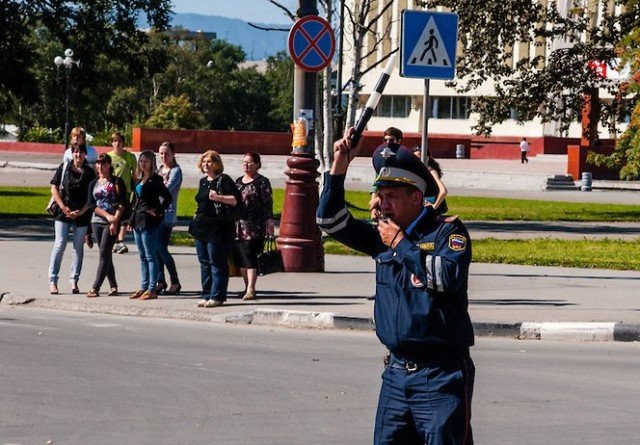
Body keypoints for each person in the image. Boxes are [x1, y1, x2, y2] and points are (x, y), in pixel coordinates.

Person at [317, 127, 475, 445]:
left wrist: (401, 244)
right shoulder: (382, 236)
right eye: (380, 196)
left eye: (391, 197)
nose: (382, 205)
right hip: (396, 373)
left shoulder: (447, 234)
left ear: (416, 197)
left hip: (439, 375)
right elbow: (329, 220)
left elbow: (447, 277)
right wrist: (340, 164)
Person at [189, 150, 240, 308]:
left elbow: (235, 200)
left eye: (210, 161)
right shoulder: (203, 181)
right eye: (204, 162)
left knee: (216, 262)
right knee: (204, 262)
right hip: (201, 226)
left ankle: (217, 295)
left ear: (217, 163)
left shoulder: (224, 180)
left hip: (218, 227)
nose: (206, 164)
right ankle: (206, 293)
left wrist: (218, 197)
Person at [47, 143, 96, 294]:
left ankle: (74, 280)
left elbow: (93, 195)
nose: (78, 155)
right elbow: (54, 187)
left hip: (81, 214)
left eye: (81, 152)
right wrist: (63, 207)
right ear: (72, 153)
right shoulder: (65, 168)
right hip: (64, 212)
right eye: (75, 152)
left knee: (77, 247)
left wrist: (82, 211)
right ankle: (53, 280)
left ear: (85, 155)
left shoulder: (89, 172)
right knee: (60, 244)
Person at [127, 150, 172, 301]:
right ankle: (144, 286)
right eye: (141, 161)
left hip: (149, 222)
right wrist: (131, 221)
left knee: (150, 256)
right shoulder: (139, 180)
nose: (143, 164)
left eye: (146, 161)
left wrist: (158, 211)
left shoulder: (155, 179)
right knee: (142, 256)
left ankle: (152, 288)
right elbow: (136, 202)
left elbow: (167, 197)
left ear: (152, 163)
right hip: (138, 220)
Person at [232, 151, 275, 301]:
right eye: (244, 161)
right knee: (241, 257)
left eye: (249, 162)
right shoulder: (238, 181)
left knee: (250, 255)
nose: (246, 164)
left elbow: (267, 203)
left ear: (257, 164)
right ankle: (246, 287)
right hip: (238, 225)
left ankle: (251, 288)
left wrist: (269, 221)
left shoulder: (262, 182)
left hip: (255, 226)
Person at [86, 154, 127, 298]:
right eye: (98, 164)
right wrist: (106, 215)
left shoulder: (116, 182)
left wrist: (114, 220)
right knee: (106, 254)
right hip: (97, 221)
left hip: (112, 223)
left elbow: (123, 203)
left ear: (109, 165)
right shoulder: (93, 183)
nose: (100, 167)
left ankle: (95, 287)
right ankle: (113, 285)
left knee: (103, 253)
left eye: (103, 163)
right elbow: (91, 204)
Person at [156, 141, 183, 295]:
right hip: (156, 214)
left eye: (166, 153)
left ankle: (175, 281)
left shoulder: (175, 171)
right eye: (161, 153)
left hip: (167, 214)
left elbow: (165, 190)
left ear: (173, 154)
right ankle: (161, 281)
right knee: (156, 250)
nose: (164, 156)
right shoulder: (160, 169)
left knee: (161, 248)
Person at [109, 132, 138, 254]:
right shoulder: (108, 156)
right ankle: (114, 241)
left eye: (119, 141)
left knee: (125, 217)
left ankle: (120, 241)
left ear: (123, 143)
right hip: (111, 191)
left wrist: (135, 190)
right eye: (115, 141)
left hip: (125, 190)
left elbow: (135, 176)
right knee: (114, 216)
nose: (117, 144)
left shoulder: (130, 157)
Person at [413, 146, 448, 215]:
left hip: (430, 208)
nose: (416, 161)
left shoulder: (431, 172)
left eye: (419, 158)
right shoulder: (416, 171)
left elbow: (443, 191)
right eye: (414, 158)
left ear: (427, 158)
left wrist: (434, 207)